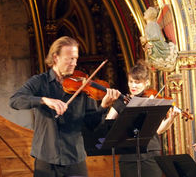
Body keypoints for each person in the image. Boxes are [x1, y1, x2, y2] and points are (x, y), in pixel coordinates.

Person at [9, 36, 120, 177]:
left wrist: (103, 106)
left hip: (75, 158)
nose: (74, 63)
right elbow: (15, 101)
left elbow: (92, 124)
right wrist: (44, 100)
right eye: (69, 58)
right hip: (46, 159)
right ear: (55, 58)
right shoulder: (39, 82)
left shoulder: (84, 85)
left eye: (75, 59)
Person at [106, 60, 179, 177]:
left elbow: (158, 130)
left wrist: (171, 118)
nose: (133, 85)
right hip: (127, 156)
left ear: (147, 83)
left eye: (137, 82)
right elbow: (108, 123)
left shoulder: (152, 101)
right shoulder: (121, 101)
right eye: (131, 81)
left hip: (149, 154)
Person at [140, 7, 177, 72]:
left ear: (151, 15)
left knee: (154, 58)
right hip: (153, 47)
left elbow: (157, 36)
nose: (144, 13)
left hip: (159, 47)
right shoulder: (148, 26)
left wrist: (146, 39)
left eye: (147, 12)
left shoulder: (153, 24)